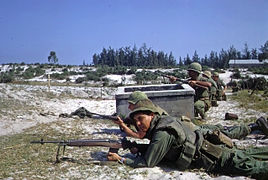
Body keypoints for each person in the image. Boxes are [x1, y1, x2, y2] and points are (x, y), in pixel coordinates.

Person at [107, 104, 268, 179]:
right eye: (136, 121)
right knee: (248, 153)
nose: (139, 124)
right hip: (212, 149)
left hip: (215, 158)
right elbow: (162, 149)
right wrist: (138, 148)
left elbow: (148, 162)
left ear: (152, 115)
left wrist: (121, 159)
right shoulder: (163, 122)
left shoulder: (162, 132)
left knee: (255, 167)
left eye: (141, 119)